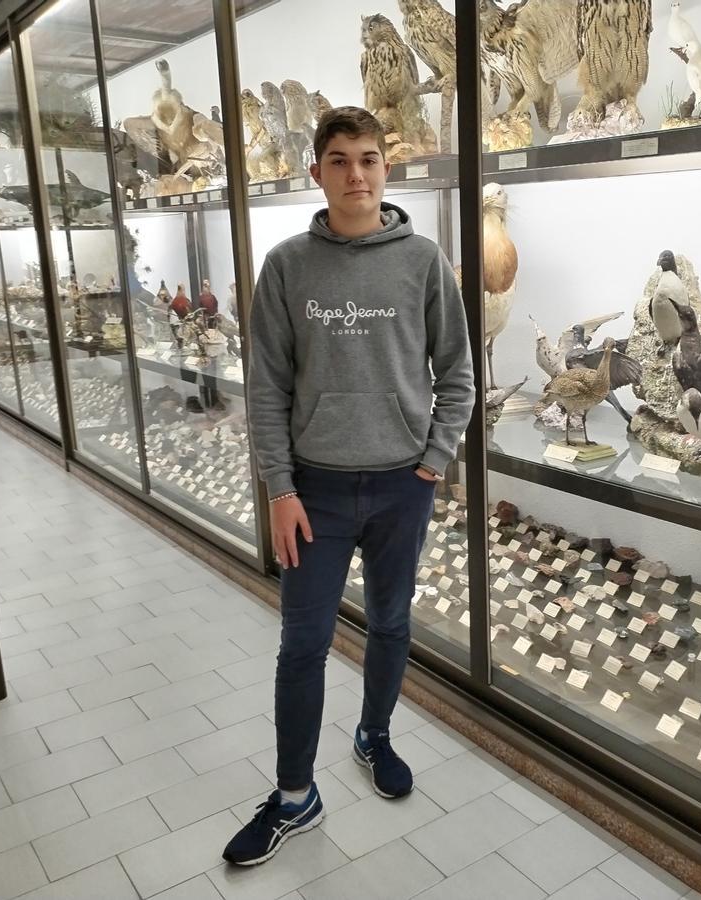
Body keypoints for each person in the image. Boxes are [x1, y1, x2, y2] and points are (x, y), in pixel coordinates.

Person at [222, 106, 475, 867]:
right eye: (339, 160)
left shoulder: (424, 261)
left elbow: (458, 374)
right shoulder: (288, 266)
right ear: (317, 173)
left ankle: (375, 735)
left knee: (392, 624)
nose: (355, 174)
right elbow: (265, 387)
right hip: (315, 496)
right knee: (303, 644)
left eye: (368, 159)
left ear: (386, 169)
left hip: (404, 486)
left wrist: (432, 462)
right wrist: (279, 490)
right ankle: (295, 796)